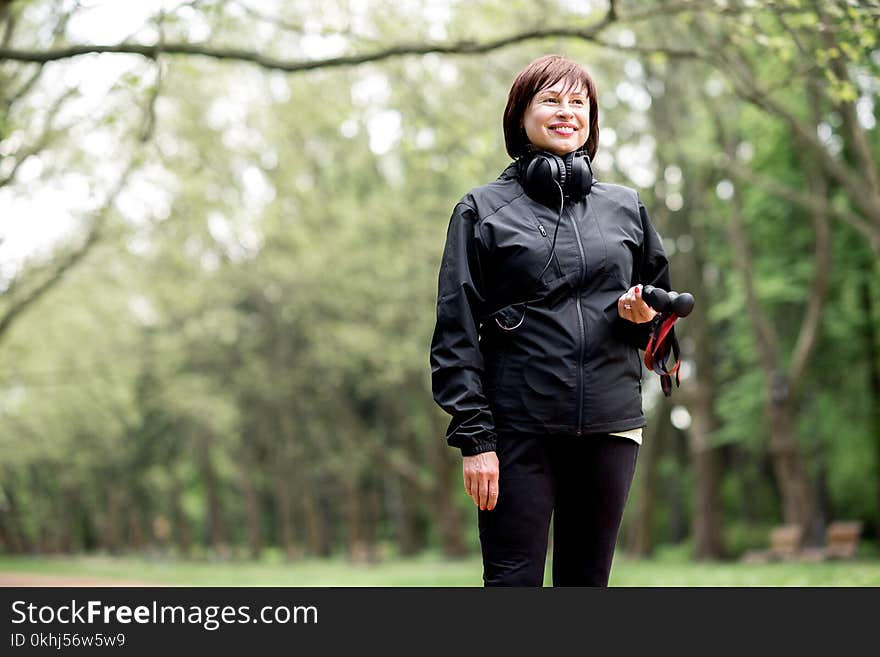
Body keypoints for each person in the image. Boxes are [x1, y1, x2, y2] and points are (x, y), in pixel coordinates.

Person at [429, 54, 671, 587]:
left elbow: (658, 327)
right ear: (521, 116)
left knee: (586, 584)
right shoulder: (481, 210)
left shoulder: (626, 208)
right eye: (551, 100)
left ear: (592, 119)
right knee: (512, 583)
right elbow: (456, 330)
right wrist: (476, 440)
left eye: (578, 103)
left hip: (610, 426)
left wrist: (644, 318)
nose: (567, 113)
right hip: (516, 430)